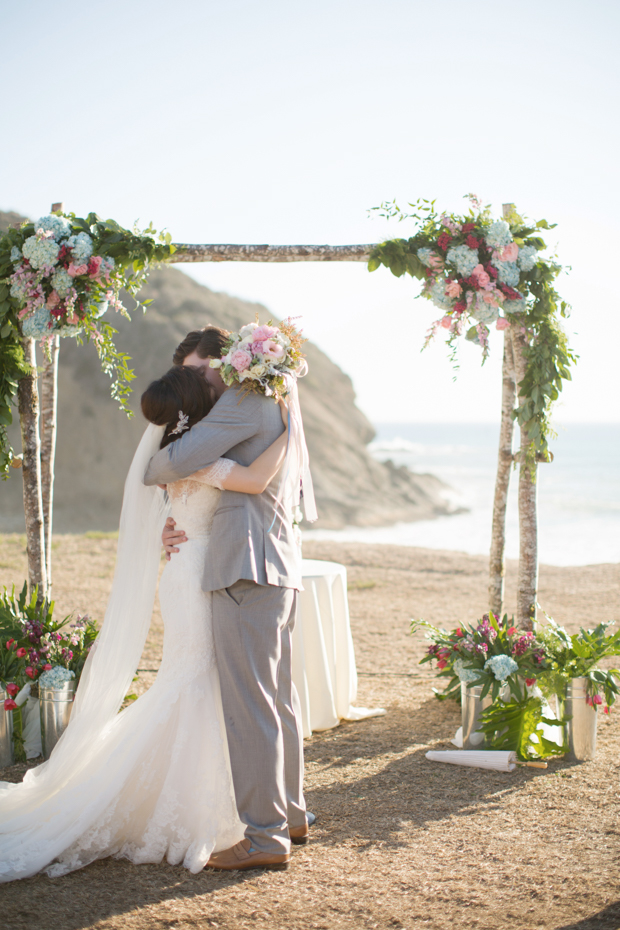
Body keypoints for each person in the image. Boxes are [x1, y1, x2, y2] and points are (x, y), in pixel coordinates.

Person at [0, 366, 291, 881]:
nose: (215, 388)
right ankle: (188, 808)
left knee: (198, 683)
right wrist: (289, 433)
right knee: (193, 683)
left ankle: (214, 804)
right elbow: (254, 480)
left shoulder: (187, 454)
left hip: (194, 571)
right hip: (196, 578)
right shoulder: (197, 460)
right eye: (206, 387)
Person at [143, 325, 311, 872]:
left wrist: (203, 468)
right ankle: (291, 813)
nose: (197, 380)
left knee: (249, 706)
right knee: (278, 698)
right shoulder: (280, 401)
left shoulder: (242, 401)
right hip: (280, 563)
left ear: (229, 362)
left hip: (245, 565)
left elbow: (163, 466)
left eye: (200, 370)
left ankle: (265, 836)